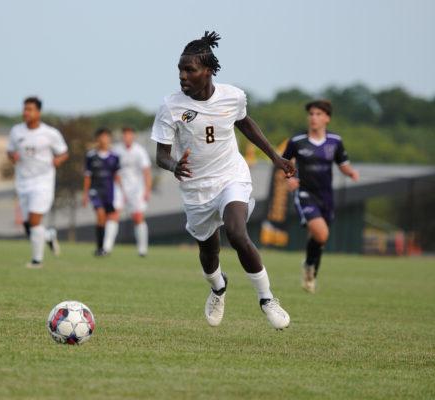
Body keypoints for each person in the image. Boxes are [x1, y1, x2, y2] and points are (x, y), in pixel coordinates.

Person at [152, 31, 295, 329]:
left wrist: (275, 158)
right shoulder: (171, 106)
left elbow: (246, 124)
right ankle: (218, 288)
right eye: (180, 69)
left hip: (231, 176)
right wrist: (174, 166)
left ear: (209, 71)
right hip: (196, 189)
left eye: (189, 70)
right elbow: (160, 156)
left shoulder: (233, 96)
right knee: (208, 251)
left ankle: (267, 298)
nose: (182, 76)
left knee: (237, 232)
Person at [282, 100, 359, 293]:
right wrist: (289, 178)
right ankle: (309, 267)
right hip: (305, 193)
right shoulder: (297, 141)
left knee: (320, 238)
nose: (313, 118)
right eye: (311, 114)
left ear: (327, 118)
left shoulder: (335, 141)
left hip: (326, 196)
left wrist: (350, 172)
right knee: (321, 233)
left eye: (318, 114)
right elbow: (284, 163)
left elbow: (342, 163)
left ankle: (310, 269)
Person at [7, 97, 68, 269]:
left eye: (30, 109)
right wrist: (13, 157)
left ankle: (37, 261)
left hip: (43, 182)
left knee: (34, 221)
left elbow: (64, 152)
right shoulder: (16, 131)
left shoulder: (50, 133)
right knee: (28, 225)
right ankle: (48, 236)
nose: (26, 112)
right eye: (25, 109)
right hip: (23, 181)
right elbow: (10, 151)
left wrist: (58, 160)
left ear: (38, 112)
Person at [113, 127, 152, 256]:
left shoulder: (140, 151)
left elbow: (146, 172)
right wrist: (120, 188)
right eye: (125, 135)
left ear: (133, 136)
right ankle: (107, 248)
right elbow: (113, 171)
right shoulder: (117, 150)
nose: (127, 138)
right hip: (119, 187)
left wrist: (147, 190)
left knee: (138, 216)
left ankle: (142, 249)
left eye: (129, 135)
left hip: (137, 189)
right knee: (114, 214)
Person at [82, 128, 121, 256]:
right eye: (101, 137)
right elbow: (87, 176)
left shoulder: (114, 157)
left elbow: (117, 175)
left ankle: (105, 247)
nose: (104, 140)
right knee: (100, 214)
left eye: (106, 137)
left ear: (109, 139)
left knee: (108, 218)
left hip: (109, 191)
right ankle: (100, 247)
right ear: (97, 139)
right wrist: (85, 194)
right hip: (95, 190)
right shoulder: (91, 156)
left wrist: (122, 191)